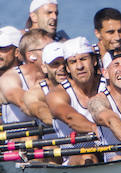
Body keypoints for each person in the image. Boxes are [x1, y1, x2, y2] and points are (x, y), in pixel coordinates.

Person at [45, 36, 107, 164]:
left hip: (111, 153)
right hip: (76, 157)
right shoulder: (57, 94)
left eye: (83, 59)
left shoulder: (108, 85)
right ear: (67, 68)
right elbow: (70, 118)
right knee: (88, 156)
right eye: (73, 62)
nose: (79, 66)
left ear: (94, 61)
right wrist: (96, 129)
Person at [0, 28, 52, 123]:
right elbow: (25, 103)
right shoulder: (10, 78)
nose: (54, 53)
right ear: (31, 56)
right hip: (21, 135)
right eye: (47, 49)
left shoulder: (57, 76)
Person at [23, 41, 68, 127]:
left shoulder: (81, 85)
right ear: (44, 68)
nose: (62, 68)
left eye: (65, 63)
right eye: (55, 64)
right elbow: (40, 110)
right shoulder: (36, 92)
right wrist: (73, 123)